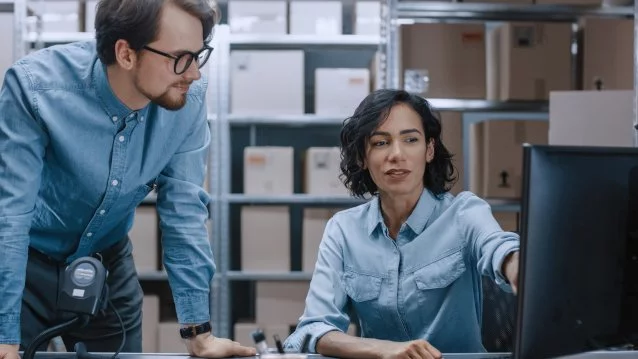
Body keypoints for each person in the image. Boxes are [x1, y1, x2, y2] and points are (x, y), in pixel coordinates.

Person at [0, 0, 256, 358]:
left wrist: (198, 332)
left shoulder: (188, 101)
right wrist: (4, 333)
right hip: (25, 266)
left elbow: (184, 214)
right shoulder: (35, 88)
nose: (194, 73)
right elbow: (10, 216)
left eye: (200, 55)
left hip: (109, 263)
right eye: (181, 58)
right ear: (126, 54)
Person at [283, 89, 520, 359]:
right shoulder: (343, 230)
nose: (397, 154)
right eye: (381, 143)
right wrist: (382, 349)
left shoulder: (464, 213)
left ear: (429, 150)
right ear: (362, 157)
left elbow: (498, 247)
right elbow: (314, 328)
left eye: (410, 140)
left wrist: (516, 265)